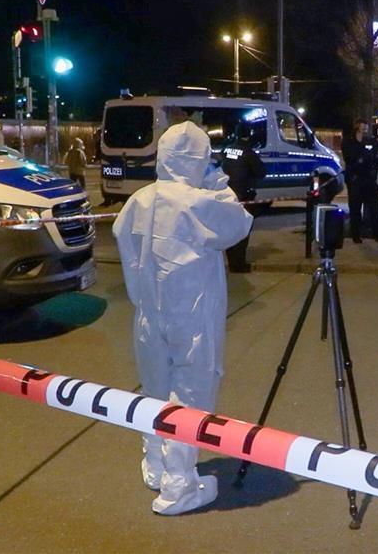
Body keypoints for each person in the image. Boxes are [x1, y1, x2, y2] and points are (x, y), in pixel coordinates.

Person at [112, 122, 252, 515]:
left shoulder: (138, 200)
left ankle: (155, 464)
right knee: (190, 395)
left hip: (147, 314)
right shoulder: (196, 202)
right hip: (191, 317)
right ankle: (179, 486)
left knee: (154, 389)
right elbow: (238, 223)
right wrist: (219, 184)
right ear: (196, 161)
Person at [220, 123, 266, 273]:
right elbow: (261, 172)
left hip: (227, 195)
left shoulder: (226, 149)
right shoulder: (248, 152)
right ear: (249, 134)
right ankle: (239, 264)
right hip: (243, 196)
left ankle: (233, 261)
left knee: (230, 229)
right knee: (242, 231)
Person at [341, 118, 378, 243]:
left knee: (375, 207)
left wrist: (376, 156)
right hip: (355, 179)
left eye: (366, 128)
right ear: (357, 128)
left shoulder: (369, 141)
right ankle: (355, 234)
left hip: (369, 178)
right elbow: (352, 158)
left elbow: (373, 154)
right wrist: (367, 155)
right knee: (355, 208)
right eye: (363, 128)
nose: (365, 130)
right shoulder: (348, 142)